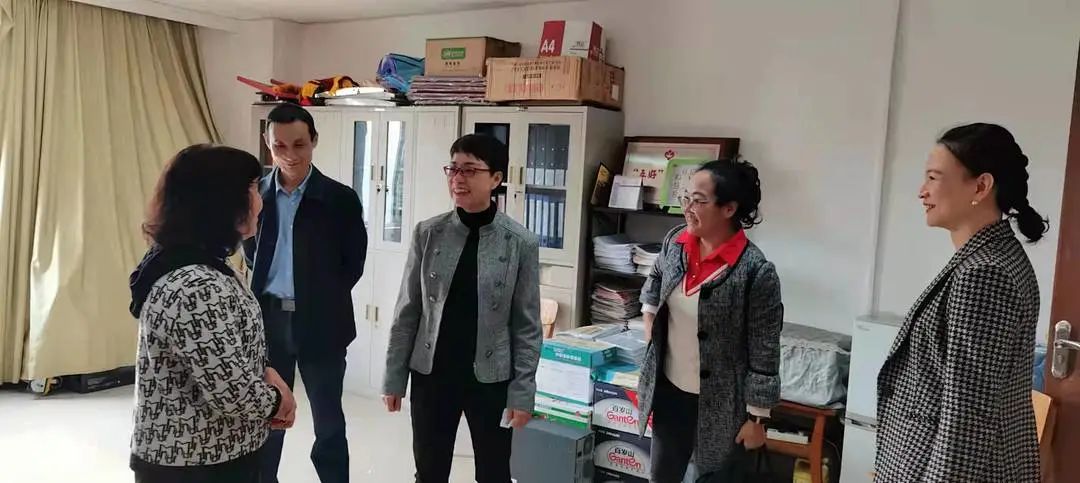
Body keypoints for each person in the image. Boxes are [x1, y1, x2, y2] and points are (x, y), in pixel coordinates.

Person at [875, 123, 1047, 482]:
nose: (922, 191)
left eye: (933, 178)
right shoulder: (994, 256)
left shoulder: (985, 273)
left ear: (981, 186)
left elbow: (967, 417)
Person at [128, 144, 297, 483]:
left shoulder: (201, 264)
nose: (261, 200)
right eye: (253, 189)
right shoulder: (196, 285)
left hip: (208, 456)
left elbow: (217, 352)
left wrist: (264, 370)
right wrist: (279, 400)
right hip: (196, 464)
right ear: (223, 202)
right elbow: (232, 393)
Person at [381, 133, 542, 483]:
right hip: (432, 374)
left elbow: (527, 326)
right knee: (429, 471)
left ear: (495, 179)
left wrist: (522, 392)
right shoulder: (428, 233)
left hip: (491, 377)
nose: (457, 178)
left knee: (494, 472)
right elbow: (407, 311)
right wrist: (394, 377)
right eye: (453, 169)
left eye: (469, 170)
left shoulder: (520, 243)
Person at [635, 159, 783, 482]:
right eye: (686, 198)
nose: (688, 208)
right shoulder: (676, 243)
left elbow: (765, 350)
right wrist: (649, 326)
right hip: (670, 392)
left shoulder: (755, 272)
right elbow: (655, 281)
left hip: (723, 406)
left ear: (729, 209)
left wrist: (757, 419)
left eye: (699, 201)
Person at [243, 103, 368, 483]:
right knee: (268, 416)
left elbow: (352, 264)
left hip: (321, 322)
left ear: (314, 140)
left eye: (299, 144)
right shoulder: (257, 195)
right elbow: (250, 252)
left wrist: (320, 296)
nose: (289, 155)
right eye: (279, 146)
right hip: (268, 320)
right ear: (267, 144)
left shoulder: (339, 199)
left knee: (328, 420)